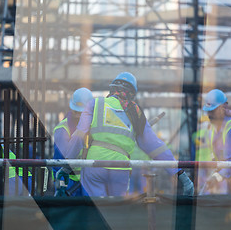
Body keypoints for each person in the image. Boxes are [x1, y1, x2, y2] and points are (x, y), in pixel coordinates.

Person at [58, 72, 194, 197]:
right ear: (132, 93)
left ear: (112, 89)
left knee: (95, 212)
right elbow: (155, 146)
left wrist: (66, 165)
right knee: (117, 211)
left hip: (95, 165)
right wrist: (180, 174)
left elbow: (79, 136)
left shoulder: (95, 103)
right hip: (120, 167)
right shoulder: (135, 112)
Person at [53, 87, 93, 196]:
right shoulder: (63, 129)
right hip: (69, 182)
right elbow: (59, 161)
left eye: (83, 113)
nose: (79, 116)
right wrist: (61, 184)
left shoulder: (92, 127)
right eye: (77, 112)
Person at [192, 115, 214, 195]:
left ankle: (201, 194)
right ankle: (207, 194)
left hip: (199, 161)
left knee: (200, 180)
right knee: (209, 179)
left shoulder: (195, 135)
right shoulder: (210, 132)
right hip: (209, 160)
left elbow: (193, 150)